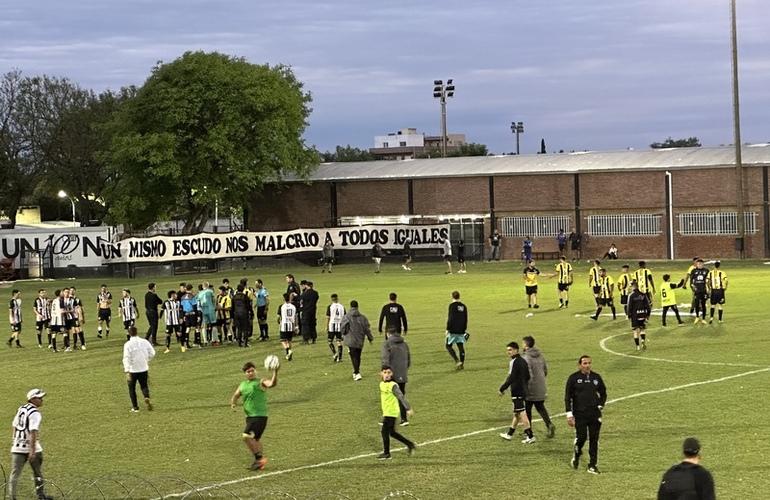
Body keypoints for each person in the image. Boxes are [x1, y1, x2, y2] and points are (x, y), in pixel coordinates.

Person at [230, 361, 278, 471]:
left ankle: (259, 459)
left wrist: (275, 372)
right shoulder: (243, 384)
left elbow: (272, 384)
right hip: (250, 416)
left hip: (259, 415)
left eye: (252, 371)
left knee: (246, 436)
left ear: (255, 371)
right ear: (244, 373)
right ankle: (259, 463)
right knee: (256, 439)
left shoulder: (260, 382)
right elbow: (236, 395)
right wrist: (233, 403)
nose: (251, 373)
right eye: (248, 371)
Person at [565, 355, 607, 474]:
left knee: (594, 439)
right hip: (580, 414)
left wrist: (600, 405)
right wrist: (569, 414)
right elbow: (568, 397)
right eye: (585, 363)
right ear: (580, 365)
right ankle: (577, 455)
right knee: (582, 437)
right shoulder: (573, 378)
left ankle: (592, 464)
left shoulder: (596, 377)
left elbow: (603, 393)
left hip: (594, 413)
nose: (587, 365)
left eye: (589, 363)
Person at [8, 388, 52, 500]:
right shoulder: (35, 413)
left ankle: (12, 497)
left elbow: (14, 425)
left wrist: (15, 440)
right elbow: (33, 431)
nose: (42, 400)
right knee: (37, 472)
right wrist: (32, 450)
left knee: (15, 473)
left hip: (17, 446)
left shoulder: (21, 409)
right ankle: (41, 495)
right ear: (32, 399)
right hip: (32, 447)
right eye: (39, 398)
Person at [498, 341, 535, 444]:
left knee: (522, 413)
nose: (508, 352)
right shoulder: (523, 361)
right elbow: (527, 376)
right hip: (523, 389)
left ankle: (530, 436)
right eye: (507, 350)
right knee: (517, 413)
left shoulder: (514, 362)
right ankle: (509, 434)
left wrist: (502, 388)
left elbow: (511, 377)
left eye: (510, 350)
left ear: (516, 350)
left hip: (517, 390)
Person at [376, 365, 416, 459]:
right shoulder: (382, 384)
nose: (386, 375)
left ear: (392, 374)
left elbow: (401, 396)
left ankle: (387, 453)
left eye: (389, 373)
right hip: (387, 412)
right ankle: (410, 445)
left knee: (384, 432)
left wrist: (408, 408)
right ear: (381, 373)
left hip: (391, 412)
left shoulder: (393, 385)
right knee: (392, 433)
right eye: (385, 372)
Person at [521, 336, 555, 438]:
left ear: (526, 345)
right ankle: (549, 424)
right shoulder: (540, 356)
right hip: (541, 386)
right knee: (540, 407)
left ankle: (528, 431)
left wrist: (526, 387)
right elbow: (545, 371)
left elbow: (528, 374)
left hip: (531, 387)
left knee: (527, 409)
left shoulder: (526, 358)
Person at [381, 327, 411, 426]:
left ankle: (387, 418)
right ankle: (404, 419)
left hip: (391, 373)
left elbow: (385, 358)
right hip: (402, 372)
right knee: (401, 394)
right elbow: (408, 358)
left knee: (388, 396)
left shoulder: (387, 343)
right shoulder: (404, 343)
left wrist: (385, 371)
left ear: (388, 334)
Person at [123, 325, 155, 412]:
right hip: (143, 367)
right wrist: (146, 359)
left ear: (129, 334)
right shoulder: (144, 341)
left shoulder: (128, 344)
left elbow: (126, 358)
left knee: (132, 388)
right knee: (144, 385)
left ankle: (135, 407)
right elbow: (152, 353)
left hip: (133, 369)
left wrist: (127, 370)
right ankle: (146, 397)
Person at [341, 300, 373, 381]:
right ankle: (356, 372)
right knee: (358, 356)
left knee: (353, 356)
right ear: (357, 306)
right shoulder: (363, 317)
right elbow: (367, 328)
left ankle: (357, 372)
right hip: (360, 339)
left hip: (350, 339)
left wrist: (343, 334)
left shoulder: (347, 316)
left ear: (351, 306)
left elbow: (343, 327)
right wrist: (370, 337)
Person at [445, 290, 468, 370]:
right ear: (459, 296)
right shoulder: (464, 306)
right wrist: (464, 329)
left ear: (452, 297)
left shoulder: (452, 306)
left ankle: (457, 361)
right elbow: (465, 319)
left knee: (448, 346)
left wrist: (448, 328)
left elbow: (451, 317)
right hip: (461, 329)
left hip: (453, 329)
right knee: (460, 346)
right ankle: (462, 363)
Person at [628, 281, 651, 350]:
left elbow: (629, 306)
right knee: (642, 329)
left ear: (633, 287)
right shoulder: (643, 295)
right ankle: (643, 340)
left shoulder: (631, 296)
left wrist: (628, 315)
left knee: (635, 330)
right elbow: (648, 306)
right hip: (642, 314)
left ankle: (637, 346)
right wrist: (647, 315)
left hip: (635, 315)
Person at [231, 284, 253, 348]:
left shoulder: (234, 297)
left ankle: (239, 342)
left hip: (236, 313)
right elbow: (249, 306)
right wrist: (251, 313)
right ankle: (245, 343)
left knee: (239, 328)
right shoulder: (245, 297)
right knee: (245, 328)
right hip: (244, 313)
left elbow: (233, 307)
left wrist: (232, 315)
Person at [325, 293, 346, 362]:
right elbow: (345, 317)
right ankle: (340, 357)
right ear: (337, 298)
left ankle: (334, 353)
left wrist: (326, 326)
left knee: (330, 341)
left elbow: (328, 317)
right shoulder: (342, 307)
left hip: (332, 326)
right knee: (339, 342)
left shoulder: (330, 307)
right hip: (340, 326)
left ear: (331, 299)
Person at [689, 259, 709, 324]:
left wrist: (709, 288)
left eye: (700, 264)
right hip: (697, 290)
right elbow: (691, 279)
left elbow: (708, 280)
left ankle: (703, 318)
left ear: (703, 264)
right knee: (697, 304)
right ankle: (697, 317)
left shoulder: (706, 271)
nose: (699, 265)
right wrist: (692, 285)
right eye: (698, 264)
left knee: (703, 304)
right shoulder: (693, 271)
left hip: (703, 290)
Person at [278, 292, 296, 361]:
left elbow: (279, 316)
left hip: (284, 324)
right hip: (291, 324)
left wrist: (278, 321)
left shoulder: (282, 307)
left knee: (283, 340)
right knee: (289, 340)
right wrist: (295, 325)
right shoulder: (293, 306)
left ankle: (288, 350)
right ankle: (288, 355)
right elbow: (295, 316)